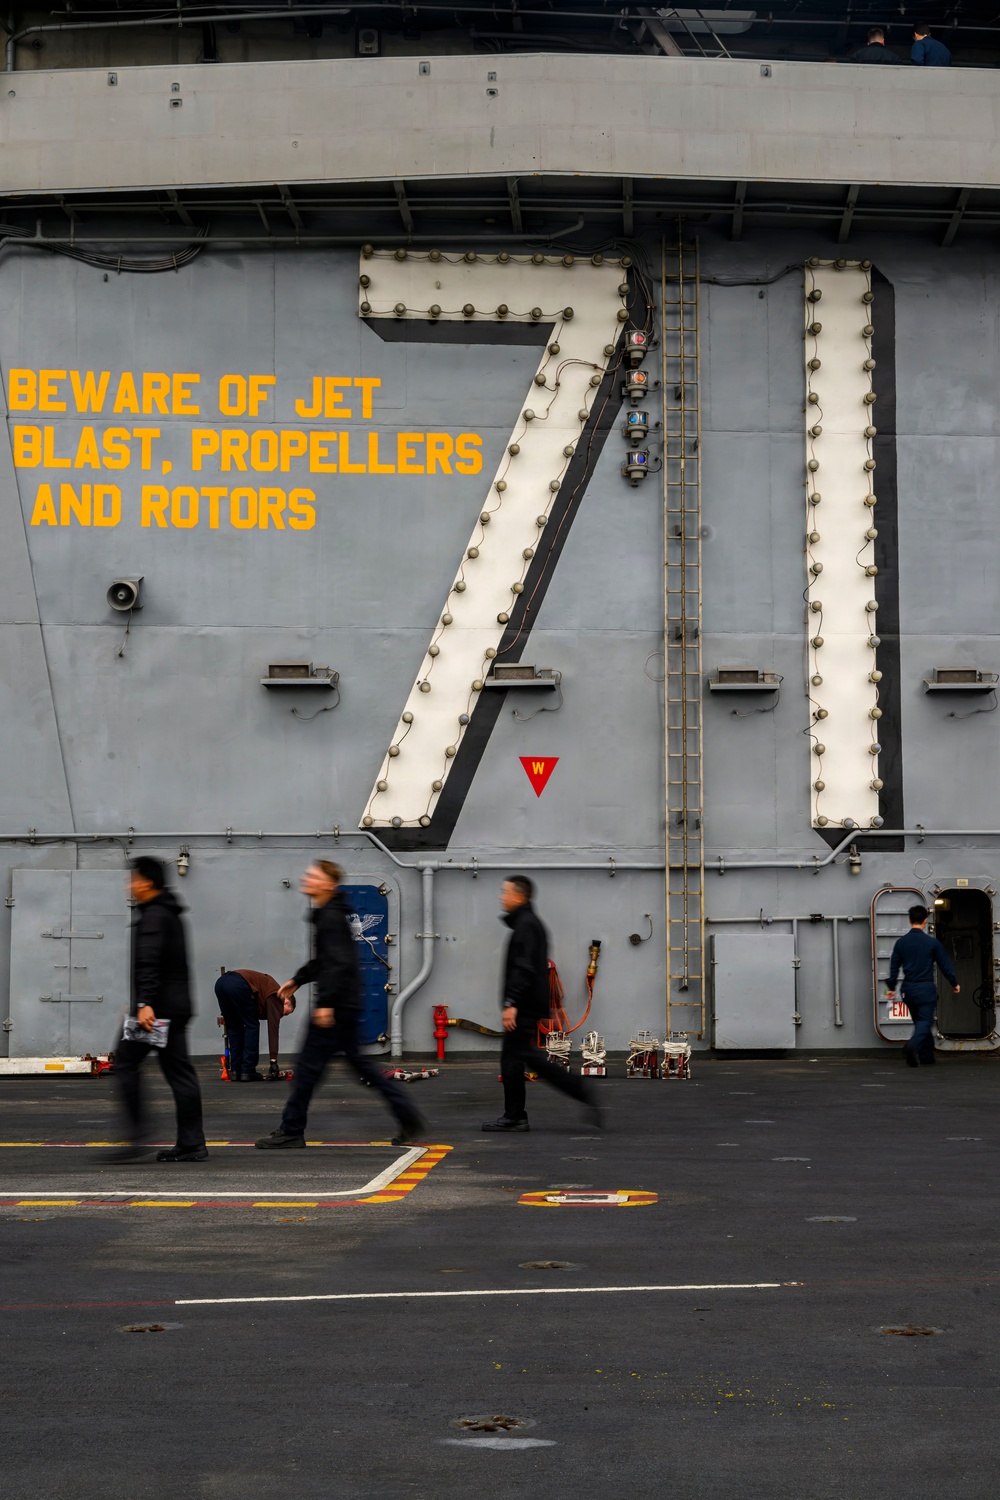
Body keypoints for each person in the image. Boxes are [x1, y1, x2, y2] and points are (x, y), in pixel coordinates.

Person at [255, 861, 425, 1149]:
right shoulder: (330, 915)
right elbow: (326, 961)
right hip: (345, 1006)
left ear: (327, 885)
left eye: (313, 875)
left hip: (335, 1007)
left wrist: (326, 1004)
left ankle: (292, 1129)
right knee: (361, 1066)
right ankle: (408, 1115)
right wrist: (298, 980)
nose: (306, 877)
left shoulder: (330, 917)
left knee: (307, 1069)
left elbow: (338, 963)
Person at [482, 875, 600, 1133]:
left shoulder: (526, 925)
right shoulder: (529, 923)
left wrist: (512, 1002)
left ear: (519, 896)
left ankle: (517, 1116)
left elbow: (523, 968)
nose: (502, 897)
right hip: (527, 1003)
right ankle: (519, 1114)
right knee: (523, 1059)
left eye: (506, 892)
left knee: (514, 1059)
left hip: (523, 1005)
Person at [113, 856, 207, 1162]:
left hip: (156, 1013)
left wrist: (144, 1003)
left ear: (146, 882)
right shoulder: (169, 914)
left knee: (125, 1062)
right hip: (171, 1008)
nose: (131, 885)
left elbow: (149, 962)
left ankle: (138, 1135)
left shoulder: (153, 915)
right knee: (180, 1073)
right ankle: (192, 1142)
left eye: (134, 879)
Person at [886, 904, 960, 1067]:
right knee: (925, 1021)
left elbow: (894, 967)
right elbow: (945, 964)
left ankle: (926, 1056)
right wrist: (954, 983)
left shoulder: (901, 943)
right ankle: (911, 1046)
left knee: (920, 1021)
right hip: (925, 988)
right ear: (925, 921)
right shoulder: (931, 943)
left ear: (909, 919)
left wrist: (891, 988)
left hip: (908, 990)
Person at [215, 968, 295, 1081]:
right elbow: (273, 1029)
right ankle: (247, 1071)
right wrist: (273, 1061)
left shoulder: (266, 989)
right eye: (286, 1013)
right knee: (252, 1026)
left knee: (234, 1027)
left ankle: (235, 1071)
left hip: (221, 984)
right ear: (286, 1002)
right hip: (238, 984)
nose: (281, 1016)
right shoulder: (277, 996)